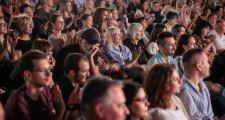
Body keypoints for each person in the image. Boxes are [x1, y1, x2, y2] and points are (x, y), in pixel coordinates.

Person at [4, 50, 65, 120]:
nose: (49, 74)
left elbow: (51, 115)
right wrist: (61, 110)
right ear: (28, 75)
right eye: (42, 70)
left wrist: (62, 109)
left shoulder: (43, 89)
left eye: (49, 69)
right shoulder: (19, 102)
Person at [176, 48, 225, 120]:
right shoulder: (184, 92)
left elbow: (210, 116)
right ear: (199, 66)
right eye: (207, 62)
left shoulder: (202, 86)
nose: (209, 65)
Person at [54, 53, 90, 120]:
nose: (88, 74)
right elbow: (77, 118)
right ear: (73, 73)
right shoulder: (68, 90)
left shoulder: (64, 81)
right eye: (85, 71)